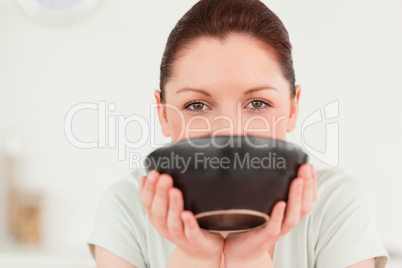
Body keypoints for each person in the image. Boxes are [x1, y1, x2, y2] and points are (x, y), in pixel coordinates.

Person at [87, 0, 389, 267]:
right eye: (196, 105)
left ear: (293, 109)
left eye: (258, 103)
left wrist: (249, 258)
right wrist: (195, 258)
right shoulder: (126, 207)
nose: (227, 131)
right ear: (163, 113)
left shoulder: (338, 206)